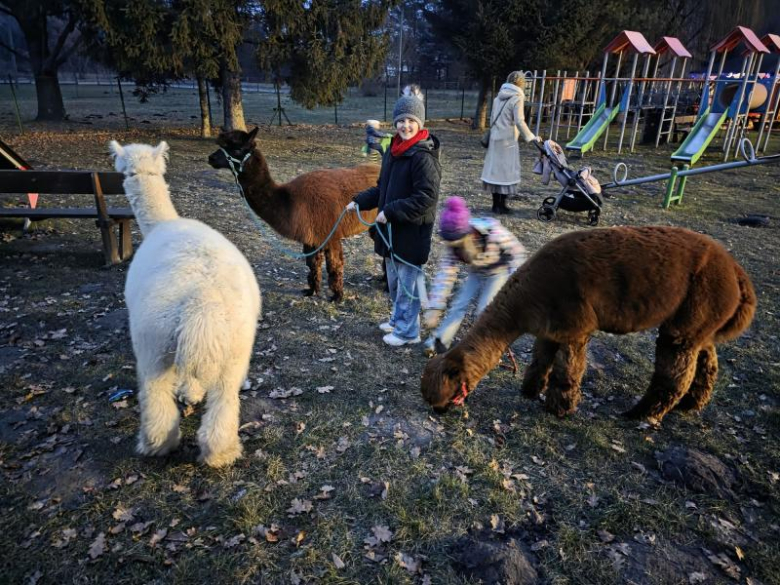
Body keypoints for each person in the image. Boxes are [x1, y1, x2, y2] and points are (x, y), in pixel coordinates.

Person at [347, 87, 442, 346]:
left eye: (411, 120)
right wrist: (359, 200)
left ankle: (408, 332)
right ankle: (398, 319)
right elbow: (382, 188)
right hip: (391, 233)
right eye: (401, 120)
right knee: (394, 281)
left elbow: (426, 198)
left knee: (408, 285)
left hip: (411, 233)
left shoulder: (422, 157)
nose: (405, 125)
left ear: (419, 123)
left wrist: (391, 211)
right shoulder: (394, 151)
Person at [423, 196, 526, 356]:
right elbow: (444, 276)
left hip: (498, 273)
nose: (454, 248)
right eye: (451, 244)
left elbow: (517, 254)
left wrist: (515, 284)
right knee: (459, 305)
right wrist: (435, 307)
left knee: (484, 310)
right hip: (477, 272)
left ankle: (486, 347)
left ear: (468, 233)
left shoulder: (493, 232)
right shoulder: (453, 247)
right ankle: (439, 342)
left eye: (458, 243)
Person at [481, 71, 540, 215]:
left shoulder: (497, 98)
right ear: (521, 83)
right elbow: (519, 121)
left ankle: (496, 205)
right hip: (508, 140)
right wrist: (530, 137)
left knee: (495, 173)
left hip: (495, 138)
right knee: (506, 173)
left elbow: (492, 118)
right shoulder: (517, 98)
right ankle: (502, 205)